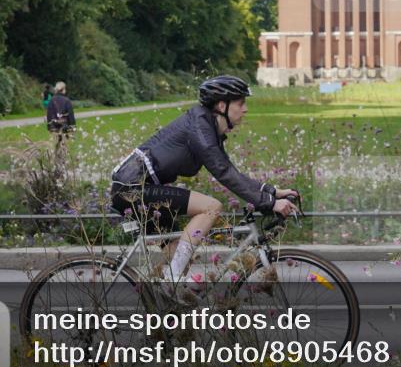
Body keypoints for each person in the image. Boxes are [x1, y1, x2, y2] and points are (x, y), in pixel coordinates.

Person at [110, 75, 298, 288]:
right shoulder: (200, 127)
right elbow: (223, 172)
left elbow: (230, 170)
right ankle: (171, 278)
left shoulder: (205, 125)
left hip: (141, 189)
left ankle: (165, 309)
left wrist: (271, 192)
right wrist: (270, 203)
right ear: (221, 105)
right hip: (133, 189)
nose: (245, 109)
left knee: (181, 261)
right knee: (211, 207)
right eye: (240, 103)